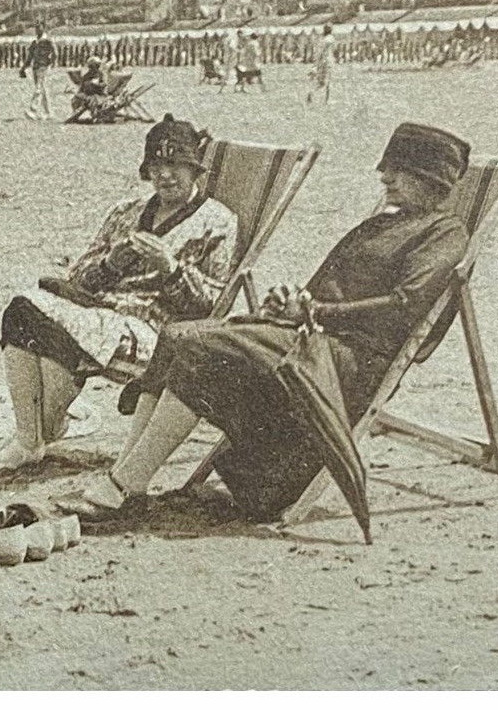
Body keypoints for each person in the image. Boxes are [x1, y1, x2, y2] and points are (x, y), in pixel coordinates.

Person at [55, 123, 472, 524]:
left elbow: (403, 306)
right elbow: (328, 288)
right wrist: (290, 301)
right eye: (388, 168)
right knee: (180, 334)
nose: (386, 176)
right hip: (312, 337)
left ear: (431, 179)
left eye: (399, 170)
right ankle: (130, 477)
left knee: (203, 348)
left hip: (349, 359)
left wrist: (314, 313)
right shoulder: (385, 223)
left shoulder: (444, 235)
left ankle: (124, 485)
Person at [0, 115, 239, 473]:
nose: (165, 175)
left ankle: (35, 435)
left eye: (176, 164)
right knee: (22, 312)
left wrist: (171, 269)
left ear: (196, 171)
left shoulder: (217, 221)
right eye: (157, 165)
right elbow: (79, 280)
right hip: (97, 314)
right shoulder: (126, 213)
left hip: (152, 330)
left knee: (44, 324)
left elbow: (212, 304)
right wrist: (111, 264)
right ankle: (35, 434)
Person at [21, 26, 56, 120]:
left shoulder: (47, 40)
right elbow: (30, 56)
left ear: (43, 28)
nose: (37, 30)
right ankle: (48, 113)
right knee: (42, 90)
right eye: (36, 28)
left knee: (39, 88)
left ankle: (33, 110)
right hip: (35, 67)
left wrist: (52, 63)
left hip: (43, 67)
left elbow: (55, 53)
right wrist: (23, 68)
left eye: (39, 27)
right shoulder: (35, 42)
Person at [308, 26, 335, 105]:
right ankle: (327, 100)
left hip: (321, 61)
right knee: (327, 81)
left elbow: (319, 52)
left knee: (322, 82)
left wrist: (316, 64)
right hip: (327, 61)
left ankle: (312, 94)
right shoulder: (330, 38)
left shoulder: (322, 39)